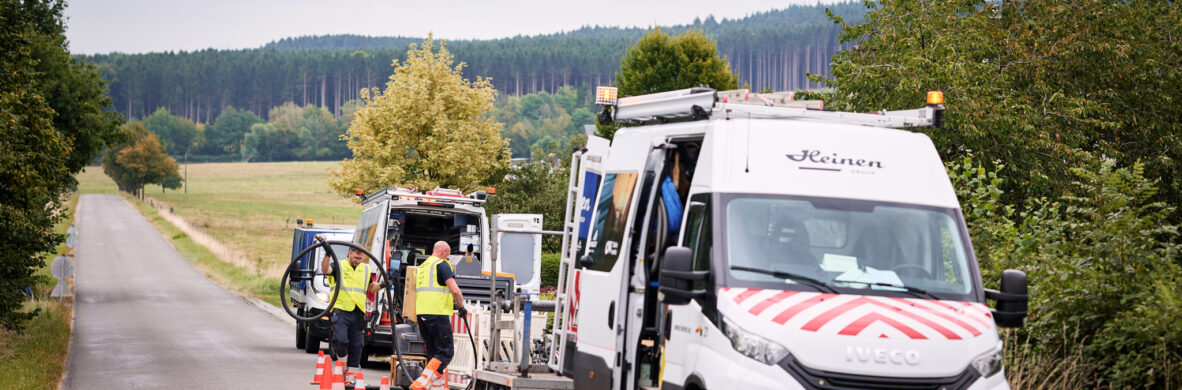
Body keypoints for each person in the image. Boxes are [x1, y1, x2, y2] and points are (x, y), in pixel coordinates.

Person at [410, 241, 467, 390]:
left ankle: (435, 387)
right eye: (447, 255)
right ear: (443, 252)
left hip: (422, 314)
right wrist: (461, 307)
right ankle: (423, 381)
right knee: (446, 352)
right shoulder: (441, 265)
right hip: (438, 314)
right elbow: (454, 290)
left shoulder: (421, 267)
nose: (447, 258)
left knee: (434, 353)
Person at [321, 246, 380, 379]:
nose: (358, 260)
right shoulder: (339, 265)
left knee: (357, 345)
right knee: (340, 340)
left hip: (358, 312)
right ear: (349, 254)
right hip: (341, 309)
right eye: (356, 257)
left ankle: (351, 378)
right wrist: (327, 254)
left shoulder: (365, 269)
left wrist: (382, 285)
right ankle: (342, 364)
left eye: (360, 258)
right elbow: (325, 269)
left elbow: (370, 286)